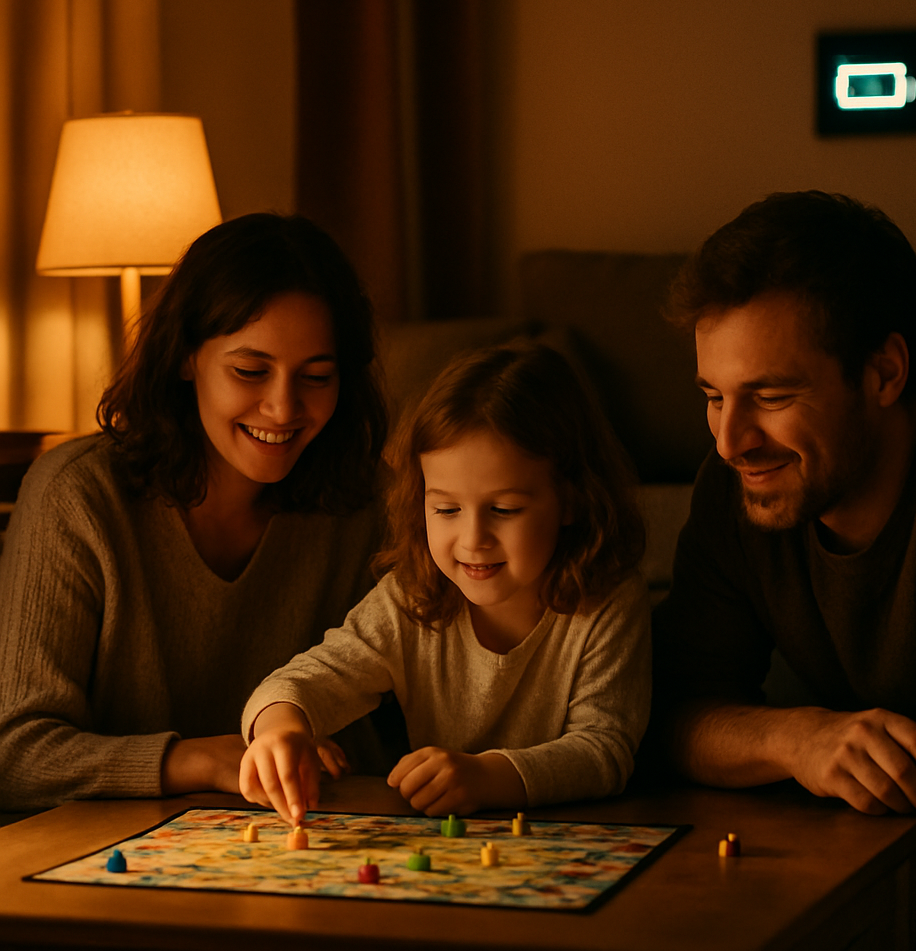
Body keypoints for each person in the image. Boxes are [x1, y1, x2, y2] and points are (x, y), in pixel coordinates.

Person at [656, 190, 916, 943]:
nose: (730, 441)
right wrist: (798, 740)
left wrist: (765, 752)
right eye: (713, 396)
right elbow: (660, 713)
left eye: (771, 395)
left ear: (885, 373)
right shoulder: (737, 487)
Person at [0, 213, 388, 811]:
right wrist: (202, 759)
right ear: (185, 357)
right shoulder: (77, 497)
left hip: (313, 841)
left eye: (317, 376)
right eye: (250, 371)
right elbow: (17, 754)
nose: (284, 407)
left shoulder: (364, 505)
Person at [239, 343, 651, 824]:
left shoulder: (610, 601)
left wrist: (486, 778)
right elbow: (307, 679)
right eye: (447, 509)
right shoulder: (412, 595)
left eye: (504, 510)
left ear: (573, 501)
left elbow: (604, 751)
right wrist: (280, 727)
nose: (473, 539)